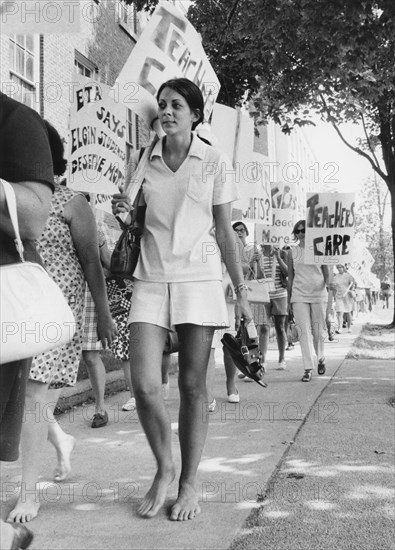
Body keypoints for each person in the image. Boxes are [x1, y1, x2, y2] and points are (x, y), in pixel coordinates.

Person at [111, 77, 252, 521]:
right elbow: (133, 225)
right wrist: (124, 213)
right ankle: (164, 466)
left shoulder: (213, 160)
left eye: (176, 105)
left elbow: (225, 231)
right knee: (145, 384)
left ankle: (189, 482)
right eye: (162, 105)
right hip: (150, 279)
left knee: (193, 386)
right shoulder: (140, 162)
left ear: (195, 113)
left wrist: (242, 292)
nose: (166, 111)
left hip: (199, 281)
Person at [8, 121, 117, 523]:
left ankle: (28, 494)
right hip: (17, 309)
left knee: (35, 398)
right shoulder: (12, 197)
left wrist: (103, 314)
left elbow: (92, 261)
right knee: (25, 398)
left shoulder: (73, 202)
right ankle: (61, 439)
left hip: (55, 315)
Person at [0, 92, 55, 549]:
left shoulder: (16, 121)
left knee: (40, 399)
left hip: (17, 308)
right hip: (22, 307)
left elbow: (33, 219)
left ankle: (21, 504)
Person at [286, 220, 332, 382]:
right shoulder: (292, 252)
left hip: (319, 295)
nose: (300, 233)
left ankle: (320, 357)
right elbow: (290, 278)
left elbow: (327, 274)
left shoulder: (320, 248)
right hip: (298, 295)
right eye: (297, 231)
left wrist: (330, 287)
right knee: (303, 332)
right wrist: (288, 300)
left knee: (318, 332)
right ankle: (307, 368)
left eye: (303, 230)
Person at [256, 244, 289, 370]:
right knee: (263, 327)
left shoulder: (281, 253)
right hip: (263, 295)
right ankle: (263, 360)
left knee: (280, 327)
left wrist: (278, 258)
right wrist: (258, 262)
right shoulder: (258, 255)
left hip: (280, 294)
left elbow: (287, 273)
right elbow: (258, 277)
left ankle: (281, 358)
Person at [333, 264, 355, 333]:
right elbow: (334, 287)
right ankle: (340, 328)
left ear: (343, 268)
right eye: (338, 268)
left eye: (341, 267)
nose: (339, 269)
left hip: (347, 296)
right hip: (339, 296)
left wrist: (351, 286)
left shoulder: (348, 276)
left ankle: (349, 327)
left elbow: (352, 285)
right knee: (340, 312)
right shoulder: (335, 277)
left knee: (348, 312)